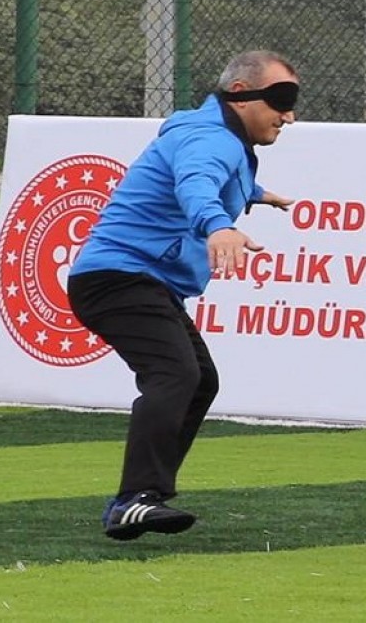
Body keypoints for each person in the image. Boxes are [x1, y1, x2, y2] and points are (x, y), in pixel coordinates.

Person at [67, 50, 299, 541]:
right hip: (117, 279)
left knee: (198, 381)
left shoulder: (217, 136)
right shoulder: (209, 138)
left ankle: (140, 497)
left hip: (137, 280)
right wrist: (218, 225)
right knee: (176, 373)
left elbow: (208, 174)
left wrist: (254, 193)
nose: (289, 115)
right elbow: (196, 181)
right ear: (240, 95)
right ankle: (134, 500)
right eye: (281, 100)